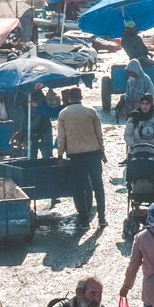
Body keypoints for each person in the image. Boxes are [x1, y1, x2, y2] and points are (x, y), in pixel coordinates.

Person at [57, 86, 107, 230]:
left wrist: (60, 155)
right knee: (98, 186)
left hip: (75, 156)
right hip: (94, 154)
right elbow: (99, 135)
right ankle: (102, 218)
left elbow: (62, 138)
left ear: (69, 98)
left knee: (79, 188)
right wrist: (102, 152)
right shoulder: (91, 111)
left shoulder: (63, 114)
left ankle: (84, 220)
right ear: (81, 97)